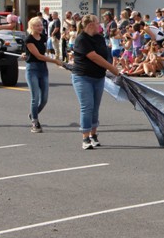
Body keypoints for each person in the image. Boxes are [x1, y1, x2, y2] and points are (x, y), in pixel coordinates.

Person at [71, 14, 122, 150]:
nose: (100, 26)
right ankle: (85, 136)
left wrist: (112, 66)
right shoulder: (81, 39)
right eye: (98, 23)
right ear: (90, 25)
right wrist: (113, 69)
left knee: (95, 107)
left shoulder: (99, 38)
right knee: (87, 106)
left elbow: (104, 55)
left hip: (98, 77)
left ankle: (93, 134)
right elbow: (94, 57)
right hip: (83, 77)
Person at [24, 16, 64, 133]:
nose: (40, 27)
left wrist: (26, 54)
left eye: (41, 25)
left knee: (44, 99)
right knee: (35, 97)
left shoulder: (43, 37)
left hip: (43, 69)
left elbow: (42, 52)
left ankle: (33, 114)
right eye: (37, 25)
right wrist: (55, 60)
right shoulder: (29, 39)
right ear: (32, 27)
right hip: (32, 69)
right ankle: (35, 122)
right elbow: (38, 56)